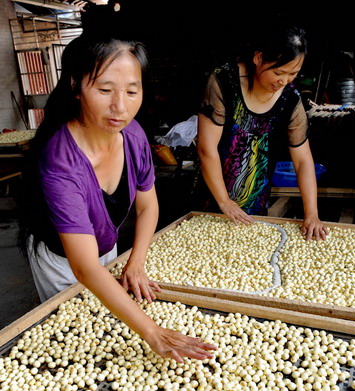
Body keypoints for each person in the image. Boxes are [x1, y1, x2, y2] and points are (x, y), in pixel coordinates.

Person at [18, 32, 215, 363]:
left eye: (132, 91)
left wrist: (135, 262)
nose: (120, 107)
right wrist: (154, 333)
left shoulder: (132, 134)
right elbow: (84, 268)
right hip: (63, 261)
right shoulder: (59, 162)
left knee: (110, 321)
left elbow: (148, 204)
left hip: (104, 244)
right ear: (75, 86)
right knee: (75, 335)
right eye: (105, 90)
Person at [196, 21, 328, 241]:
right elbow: (206, 148)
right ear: (258, 58)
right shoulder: (224, 82)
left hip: (256, 205)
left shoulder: (290, 100)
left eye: (293, 73)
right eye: (279, 72)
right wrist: (224, 202)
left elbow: (303, 161)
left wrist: (312, 214)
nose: (284, 81)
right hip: (210, 202)